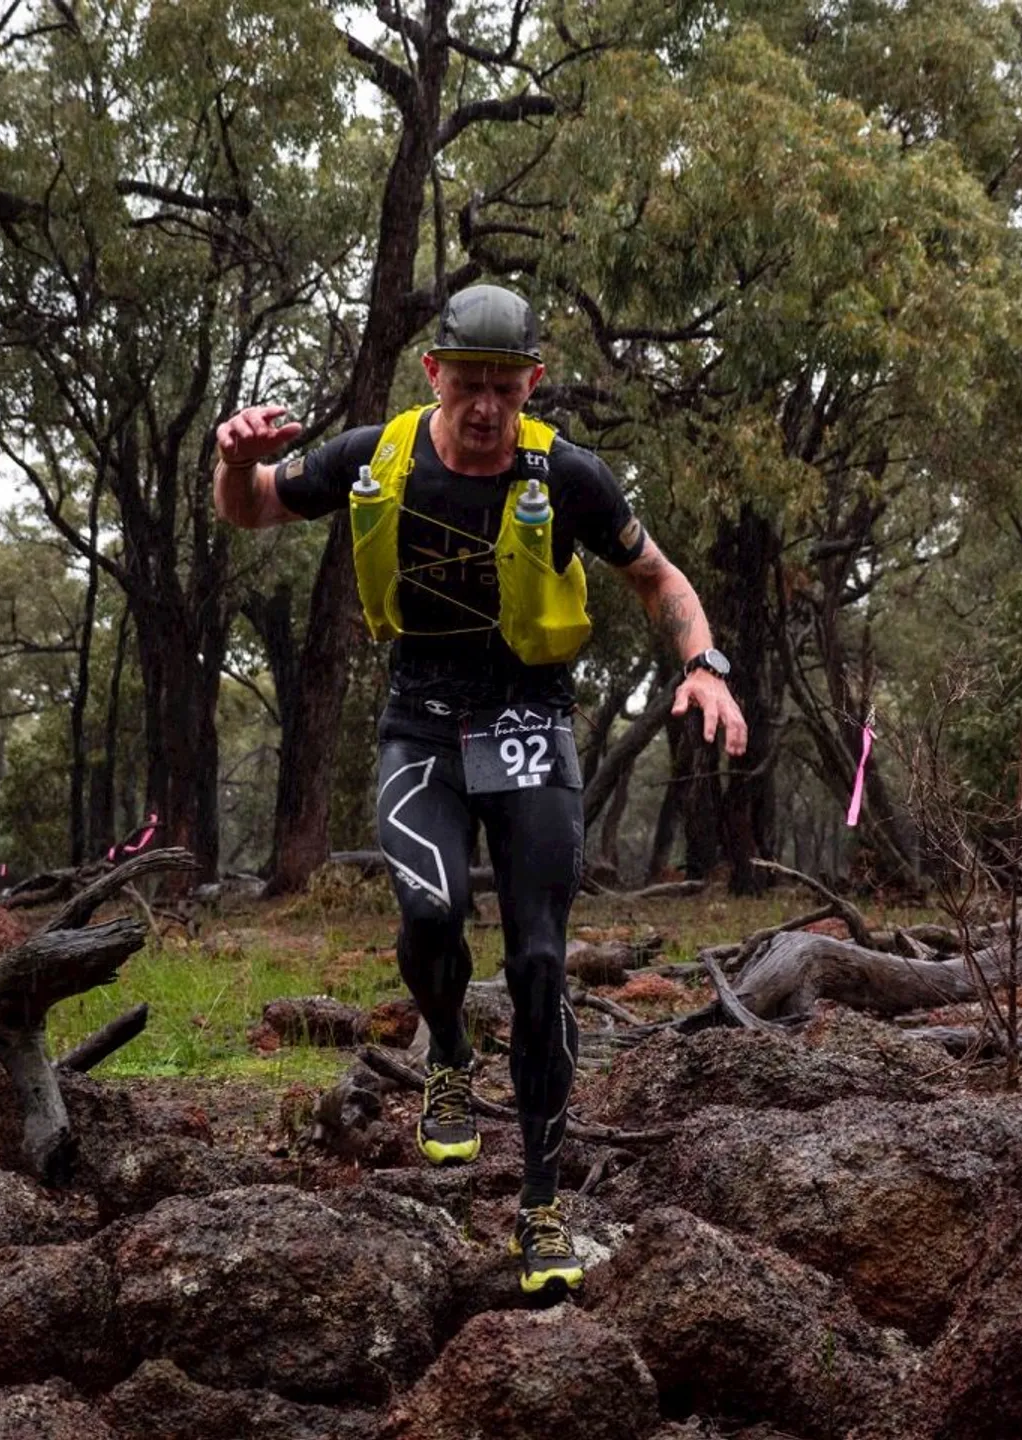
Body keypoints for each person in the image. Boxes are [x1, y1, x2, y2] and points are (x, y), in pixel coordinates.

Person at [213, 283, 748, 1295]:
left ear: (532, 384)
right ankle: (450, 1048)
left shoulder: (567, 474)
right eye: (469, 385)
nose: (487, 408)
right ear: (434, 376)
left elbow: (660, 579)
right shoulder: (379, 455)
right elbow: (254, 508)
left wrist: (704, 664)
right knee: (430, 914)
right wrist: (233, 462)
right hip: (422, 722)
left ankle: (542, 1207)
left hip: (530, 721)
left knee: (543, 966)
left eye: (506, 388)